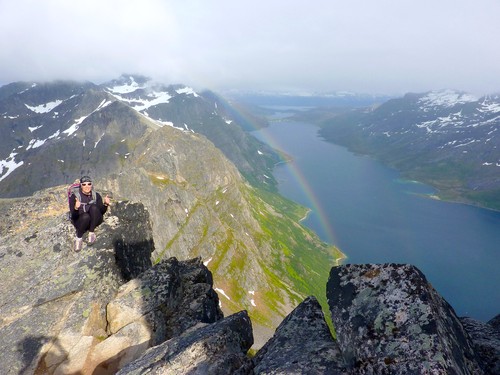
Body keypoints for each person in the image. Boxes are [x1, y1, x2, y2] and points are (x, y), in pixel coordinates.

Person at [69, 175, 110, 251]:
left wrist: (105, 204)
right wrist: (76, 208)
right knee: (85, 216)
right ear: (81, 186)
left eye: (89, 184)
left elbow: (101, 211)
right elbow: (73, 216)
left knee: (94, 207)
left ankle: (91, 233)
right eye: (84, 184)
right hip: (81, 221)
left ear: (91, 185)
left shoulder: (96, 195)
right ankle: (78, 238)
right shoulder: (74, 196)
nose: (87, 186)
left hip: (94, 221)